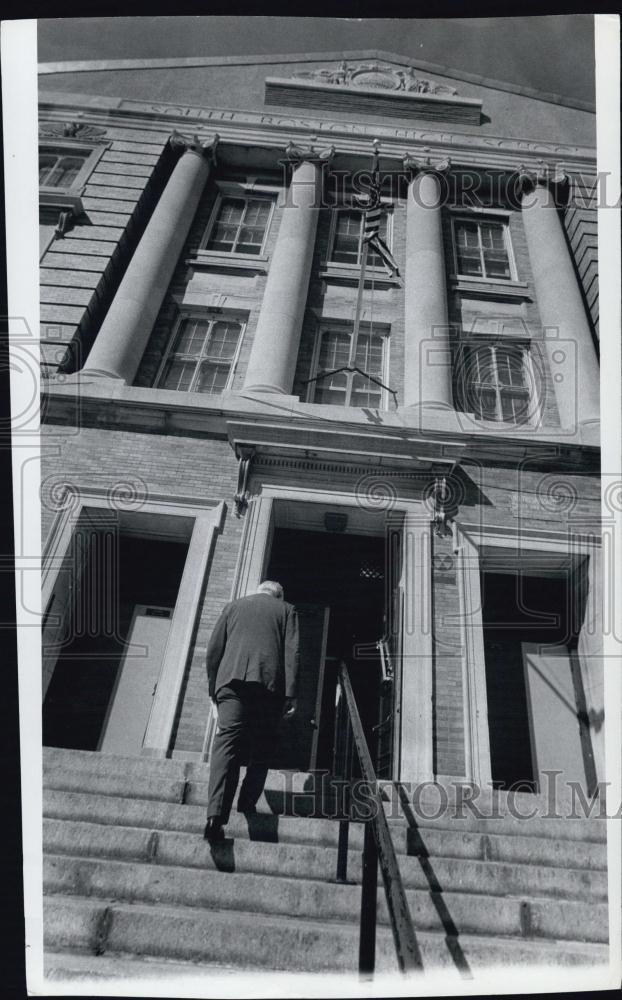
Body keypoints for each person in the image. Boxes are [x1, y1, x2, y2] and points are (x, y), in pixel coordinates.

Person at [203, 580, 299, 842]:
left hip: (230, 682)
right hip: (268, 687)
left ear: (258, 590)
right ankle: (247, 803)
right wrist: (290, 694)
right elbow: (292, 653)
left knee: (226, 745)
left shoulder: (232, 607)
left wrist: (214, 689)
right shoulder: (286, 610)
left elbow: (213, 652)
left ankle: (215, 817)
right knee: (263, 747)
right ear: (278, 595)